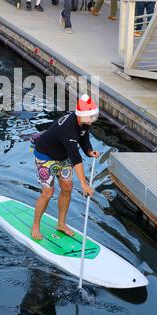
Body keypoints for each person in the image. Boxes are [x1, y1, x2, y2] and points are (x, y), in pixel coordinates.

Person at [31, 94, 100, 241]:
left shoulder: (83, 123)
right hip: (45, 157)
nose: (92, 121)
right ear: (80, 115)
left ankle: (61, 224)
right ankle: (35, 226)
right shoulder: (68, 128)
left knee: (67, 188)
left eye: (94, 117)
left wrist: (89, 151)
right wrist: (84, 184)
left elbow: (84, 138)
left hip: (62, 157)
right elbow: (75, 157)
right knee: (48, 192)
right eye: (90, 117)